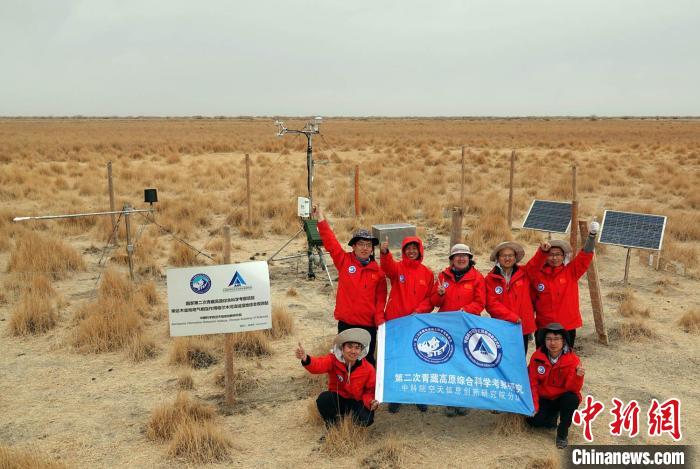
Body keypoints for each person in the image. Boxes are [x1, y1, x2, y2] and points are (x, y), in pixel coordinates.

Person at [313, 205, 387, 366]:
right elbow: (331, 243)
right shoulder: (344, 261)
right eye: (361, 244)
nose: (365, 248)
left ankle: (369, 383)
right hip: (346, 323)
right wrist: (320, 219)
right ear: (353, 246)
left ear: (372, 249)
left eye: (368, 245)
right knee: (345, 361)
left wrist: (379, 320)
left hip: (368, 326)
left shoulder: (379, 273)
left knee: (366, 362)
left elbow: (381, 300)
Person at [379, 235, 434, 414]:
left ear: (420, 251)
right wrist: (385, 253)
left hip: (416, 324)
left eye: (414, 248)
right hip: (395, 322)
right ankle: (396, 396)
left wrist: (419, 311)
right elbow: (387, 267)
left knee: (417, 360)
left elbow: (430, 300)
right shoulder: (398, 268)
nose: (411, 251)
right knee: (396, 359)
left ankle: (418, 395)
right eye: (408, 248)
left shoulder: (427, 273)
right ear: (403, 251)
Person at [430, 243, 485, 416]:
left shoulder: (477, 277)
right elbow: (435, 303)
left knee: (465, 363)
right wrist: (439, 294)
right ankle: (449, 400)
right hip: (446, 327)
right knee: (448, 363)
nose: (461, 258)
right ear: (452, 259)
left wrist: (465, 310)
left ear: (469, 258)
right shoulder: (443, 276)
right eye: (457, 256)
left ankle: (463, 400)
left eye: (464, 255)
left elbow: (480, 302)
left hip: (467, 328)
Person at [529, 221, 600, 349]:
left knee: (566, 358)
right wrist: (529, 326)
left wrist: (591, 236)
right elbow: (530, 302)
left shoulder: (571, 271)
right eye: (550, 255)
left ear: (563, 256)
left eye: (558, 255)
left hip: (567, 326)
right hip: (544, 326)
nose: (554, 258)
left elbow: (585, 256)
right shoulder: (537, 275)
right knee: (542, 358)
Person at [296, 328, 379, 429]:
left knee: (366, 419)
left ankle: (352, 424)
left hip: (357, 401)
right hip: (338, 399)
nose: (353, 351)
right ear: (342, 348)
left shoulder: (368, 368)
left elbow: (370, 390)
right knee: (324, 399)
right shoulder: (333, 360)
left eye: (357, 348)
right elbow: (318, 365)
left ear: (361, 350)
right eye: (349, 347)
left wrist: (370, 402)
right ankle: (332, 426)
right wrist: (305, 358)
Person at [526, 322, 585, 449]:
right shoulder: (537, 357)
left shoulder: (573, 360)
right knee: (533, 421)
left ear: (563, 341)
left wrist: (578, 376)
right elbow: (532, 383)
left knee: (572, 398)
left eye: (557, 339)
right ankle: (552, 416)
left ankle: (562, 434)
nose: (552, 343)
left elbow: (572, 389)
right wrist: (534, 406)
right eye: (549, 339)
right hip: (544, 397)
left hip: (561, 397)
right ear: (544, 340)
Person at [485, 241, 548, 353]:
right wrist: (511, 317)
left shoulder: (525, 273)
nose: (507, 258)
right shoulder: (490, 279)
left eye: (510, 255)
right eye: (504, 255)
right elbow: (491, 304)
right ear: (498, 258)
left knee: (520, 358)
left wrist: (542, 251)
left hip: (521, 327)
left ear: (515, 258)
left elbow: (535, 264)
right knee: (502, 357)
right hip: (501, 326)